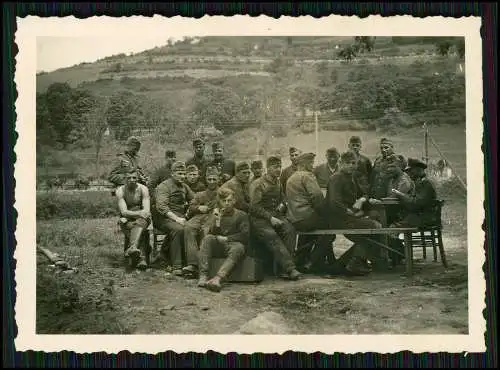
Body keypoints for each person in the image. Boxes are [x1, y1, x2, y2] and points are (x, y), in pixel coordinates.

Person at [326, 151, 383, 275]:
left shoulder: (352, 177)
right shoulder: (336, 178)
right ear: (341, 163)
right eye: (348, 163)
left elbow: (364, 193)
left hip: (350, 217)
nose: (352, 166)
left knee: (370, 232)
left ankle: (344, 264)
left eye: (354, 163)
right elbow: (334, 203)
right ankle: (354, 262)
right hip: (338, 219)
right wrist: (352, 213)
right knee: (374, 227)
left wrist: (362, 200)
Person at [250, 156, 302, 281]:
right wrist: (270, 218)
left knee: (290, 229)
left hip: (275, 216)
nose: (278, 169)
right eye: (275, 167)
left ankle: (281, 269)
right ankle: (290, 268)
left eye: (279, 167)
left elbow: (283, 197)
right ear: (267, 168)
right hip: (259, 219)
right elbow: (254, 208)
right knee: (271, 235)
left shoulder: (277, 181)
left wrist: (283, 204)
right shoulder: (258, 184)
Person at [285, 152, 336, 274]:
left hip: (295, 219)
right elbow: (317, 198)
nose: (313, 165)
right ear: (305, 164)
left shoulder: (291, 178)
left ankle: (301, 261)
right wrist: (326, 213)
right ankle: (313, 262)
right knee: (330, 231)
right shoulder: (308, 176)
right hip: (307, 218)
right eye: (311, 163)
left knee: (309, 235)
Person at [197, 187, 249, 292]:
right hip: (219, 245)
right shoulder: (216, 213)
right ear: (219, 201)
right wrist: (217, 221)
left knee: (239, 248)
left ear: (234, 201)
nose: (227, 203)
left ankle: (218, 278)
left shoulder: (241, 215)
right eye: (224, 201)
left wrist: (227, 238)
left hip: (233, 245)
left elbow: (245, 235)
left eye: (229, 200)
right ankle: (203, 275)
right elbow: (211, 234)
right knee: (207, 239)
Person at [154, 161, 195, 276]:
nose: (182, 176)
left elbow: (194, 199)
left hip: (180, 217)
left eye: (184, 173)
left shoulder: (184, 186)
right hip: (164, 218)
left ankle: (188, 262)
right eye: (179, 173)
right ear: (172, 173)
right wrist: (177, 219)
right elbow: (161, 207)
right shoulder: (164, 186)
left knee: (191, 228)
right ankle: (177, 265)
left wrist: (192, 207)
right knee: (178, 229)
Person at [182, 166, 221, 278]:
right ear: (206, 180)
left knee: (206, 230)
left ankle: (204, 266)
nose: (212, 182)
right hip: (200, 216)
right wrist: (199, 207)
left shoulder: (222, 192)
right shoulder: (200, 194)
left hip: (215, 216)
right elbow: (192, 205)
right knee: (189, 227)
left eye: (214, 179)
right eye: (209, 179)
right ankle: (193, 264)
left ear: (218, 179)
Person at [116, 169, 152, 270]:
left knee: (140, 223)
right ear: (125, 179)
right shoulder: (120, 190)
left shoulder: (143, 189)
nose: (132, 180)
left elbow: (146, 211)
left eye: (134, 177)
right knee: (138, 228)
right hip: (127, 219)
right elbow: (124, 212)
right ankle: (142, 259)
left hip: (142, 219)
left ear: (138, 178)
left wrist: (139, 214)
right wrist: (138, 213)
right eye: (129, 178)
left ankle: (132, 248)